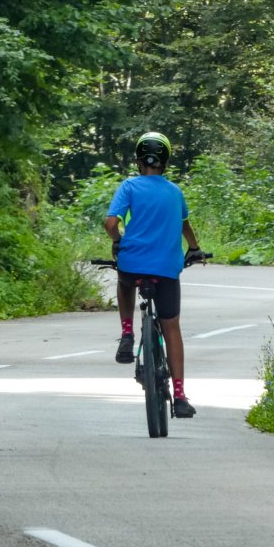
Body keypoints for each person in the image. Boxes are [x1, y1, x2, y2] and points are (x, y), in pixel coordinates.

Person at [104, 131, 205, 418]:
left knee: (124, 282)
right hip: (166, 269)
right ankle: (180, 396)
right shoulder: (175, 192)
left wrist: (117, 241)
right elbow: (184, 225)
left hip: (132, 263)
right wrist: (195, 249)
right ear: (165, 162)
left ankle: (126, 333)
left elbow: (111, 223)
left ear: (138, 160)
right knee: (171, 326)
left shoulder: (129, 186)